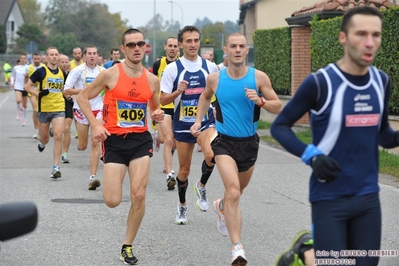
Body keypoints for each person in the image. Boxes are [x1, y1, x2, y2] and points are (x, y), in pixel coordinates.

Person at [271, 6, 399, 266]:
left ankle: (308, 251)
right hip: (329, 198)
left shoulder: (381, 81)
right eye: (361, 34)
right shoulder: (320, 83)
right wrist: (312, 156)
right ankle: (306, 251)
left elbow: (383, 135)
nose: (369, 42)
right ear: (343, 37)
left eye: (376, 35)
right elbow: (279, 126)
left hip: (368, 198)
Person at [191, 32, 282, 266]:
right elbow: (204, 97)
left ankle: (220, 207)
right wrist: (198, 121)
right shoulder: (215, 79)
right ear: (226, 50)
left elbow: (278, 107)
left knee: (236, 194)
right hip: (224, 142)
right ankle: (237, 248)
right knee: (232, 192)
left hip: (249, 144)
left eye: (242, 46)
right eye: (233, 46)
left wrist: (260, 101)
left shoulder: (258, 78)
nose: (238, 50)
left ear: (247, 50)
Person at [76, 28, 164, 265]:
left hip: (140, 140)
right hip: (114, 140)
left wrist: (159, 117)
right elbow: (82, 97)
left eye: (141, 44)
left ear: (145, 47)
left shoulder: (152, 79)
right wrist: (95, 124)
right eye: (131, 45)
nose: (137, 48)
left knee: (138, 194)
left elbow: (156, 108)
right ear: (123, 49)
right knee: (112, 200)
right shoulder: (110, 74)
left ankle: (127, 244)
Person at [160, 25, 218, 224]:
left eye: (196, 40)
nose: (193, 44)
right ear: (181, 44)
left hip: (205, 121)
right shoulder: (172, 69)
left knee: (212, 154)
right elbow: (162, 100)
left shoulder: (210, 67)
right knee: (184, 170)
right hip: (183, 123)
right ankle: (182, 206)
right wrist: (178, 91)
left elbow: (217, 94)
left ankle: (201, 186)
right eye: (188, 41)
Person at [63, 46, 105, 190]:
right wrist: (84, 91)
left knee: (95, 143)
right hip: (81, 109)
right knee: (83, 146)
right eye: (90, 54)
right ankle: (80, 143)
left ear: (98, 56)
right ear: (84, 56)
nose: (92, 56)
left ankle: (92, 177)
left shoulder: (103, 71)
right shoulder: (77, 71)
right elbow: (66, 90)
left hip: (98, 110)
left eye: (95, 54)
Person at [24, 47, 67, 179]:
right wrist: (39, 94)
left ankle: (55, 167)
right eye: (52, 55)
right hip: (44, 109)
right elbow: (27, 87)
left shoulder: (62, 73)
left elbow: (65, 89)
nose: (54, 57)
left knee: (58, 135)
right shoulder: (41, 71)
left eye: (56, 55)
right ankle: (41, 143)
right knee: (45, 139)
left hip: (59, 108)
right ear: (47, 58)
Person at [152, 37, 179, 186]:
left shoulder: (181, 64)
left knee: (173, 142)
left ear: (178, 49)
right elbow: (154, 83)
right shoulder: (158, 64)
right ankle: (169, 173)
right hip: (163, 105)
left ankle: (167, 165)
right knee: (166, 140)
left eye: (175, 46)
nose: (172, 48)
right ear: (165, 47)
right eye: (170, 46)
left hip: (178, 106)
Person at [58, 54, 73, 164]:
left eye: (66, 61)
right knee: (60, 130)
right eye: (62, 62)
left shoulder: (73, 73)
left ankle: (65, 153)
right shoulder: (55, 74)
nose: (64, 64)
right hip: (56, 103)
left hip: (68, 103)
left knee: (67, 128)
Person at [27, 52, 45, 138]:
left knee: (43, 110)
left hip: (41, 91)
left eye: (38, 59)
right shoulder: (29, 68)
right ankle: (36, 130)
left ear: (41, 59)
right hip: (32, 91)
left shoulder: (44, 67)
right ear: (32, 59)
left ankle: (43, 128)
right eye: (35, 59)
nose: (37, 60)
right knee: (35, 109)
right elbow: (26, 78)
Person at [10, 54, 29, 126]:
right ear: (20, 59)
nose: (23, 59)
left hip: (25, 87)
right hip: (18, 86)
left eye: (24, 58)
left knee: (25, 105)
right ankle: (18, 112)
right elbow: (12, 76)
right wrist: (12, 83)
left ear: (26, 59)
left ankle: (24, 119)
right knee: (18, 100)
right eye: (22, 58)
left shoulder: (28, 67)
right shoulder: (16, 68)